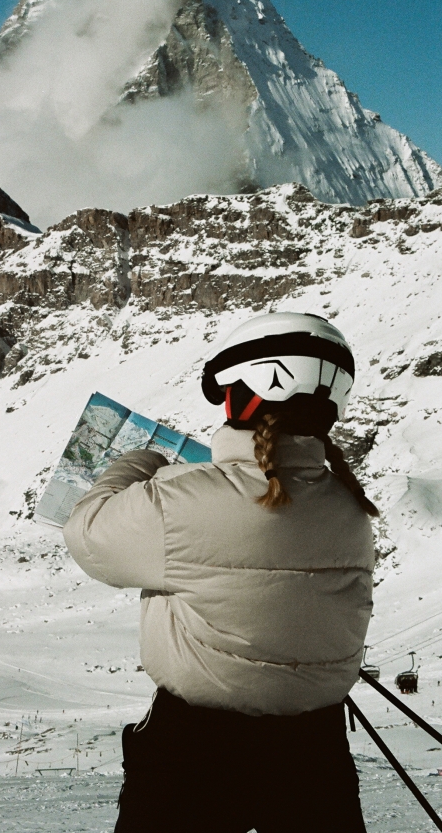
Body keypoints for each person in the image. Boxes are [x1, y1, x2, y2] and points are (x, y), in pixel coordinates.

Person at [63, 312, 377, 833]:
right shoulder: (350, 506)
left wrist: (142, 462)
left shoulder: (182, 499)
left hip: (194, 750)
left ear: (243, 395)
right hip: (316, 752)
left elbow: (87, 532)